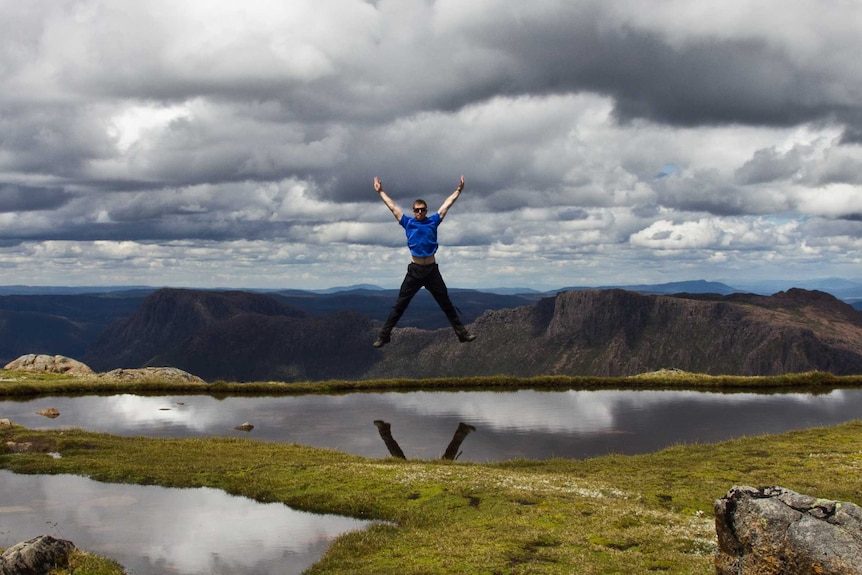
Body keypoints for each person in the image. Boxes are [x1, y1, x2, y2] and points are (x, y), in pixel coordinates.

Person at [372, 175, 476, 348]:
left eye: (422, 210)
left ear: (426, 211)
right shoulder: (408, 223)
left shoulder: (433, 221)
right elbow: (392, 207)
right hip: (415, 270)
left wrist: (458, 190)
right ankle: (384, 336)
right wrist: (381, 191)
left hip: (432, 271)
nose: (420, 212)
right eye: (417, 210)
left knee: (446, 304)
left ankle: (462, 334)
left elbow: (446, 205)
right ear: (413, 211)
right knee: (400, 305)